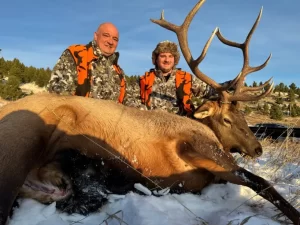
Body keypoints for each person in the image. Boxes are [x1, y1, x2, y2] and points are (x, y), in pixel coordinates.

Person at [48, 22, 126, 104]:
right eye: (106, 35)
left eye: (115, 39)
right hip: (77, 115)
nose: (110, 41)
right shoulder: (76, 54)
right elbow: (58, 98)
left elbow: (125, 106)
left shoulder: (119, 72)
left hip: (111, 116)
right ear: (96, 36)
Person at [135, 40, 209, 116]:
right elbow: (130, 101)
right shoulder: (143, 80)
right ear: (156, 59)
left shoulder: (187, 78)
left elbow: (210, 91)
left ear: (175, 59)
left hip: (182, 125)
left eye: (170, 56)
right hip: (151, 124)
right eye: (163, 56)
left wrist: (221, 88)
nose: (167, 60)